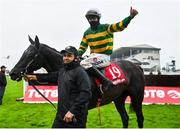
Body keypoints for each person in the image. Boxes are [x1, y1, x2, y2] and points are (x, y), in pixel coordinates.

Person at [25, 46, 92, 128]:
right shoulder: (62, 70)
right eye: (65, 55)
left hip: (75, 117)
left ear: (76, 58)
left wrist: (72, 111)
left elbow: (86, 93)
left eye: (69, 56)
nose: (66, 58)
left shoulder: (80, 72)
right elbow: (50, 76)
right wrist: (34, 77)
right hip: (61, 115)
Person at [78, 7, 138, 92]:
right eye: (89, 18)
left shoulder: (106, 28)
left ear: (98, 18)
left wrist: (130, 17)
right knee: (78, 62)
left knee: (84, 63)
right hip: (92, 57)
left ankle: (105, 81)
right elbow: (82, 48)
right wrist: (76, 55)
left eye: (93, 18)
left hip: (104, 57)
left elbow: (120, 26)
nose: (92, 20)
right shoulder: (87, 33)